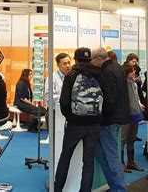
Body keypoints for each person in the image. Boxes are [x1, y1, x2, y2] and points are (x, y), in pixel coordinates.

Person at [55, 48, 103, 192]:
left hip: (75, 124)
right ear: (90, 60)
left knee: (65, 157)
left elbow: (64, 101)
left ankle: (57, 189)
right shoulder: (99, 75)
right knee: (88, 162)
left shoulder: (71, 76)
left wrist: (71, 117)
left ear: (76, 59)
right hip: (94, 124)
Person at [91, 47, 130, 192]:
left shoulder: (106, 72)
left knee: (111, 157)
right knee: (103, 155)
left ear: (98, 58)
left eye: (92, 61)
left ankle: (119, 189)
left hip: (108, 119)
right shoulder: (117, 67)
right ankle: (115, 187)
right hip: (117, 117)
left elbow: (109, 99)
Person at [121, 62, 145, 173]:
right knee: (123, 139)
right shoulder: (122, 85)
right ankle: (121, 163)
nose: (134, 72)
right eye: (132, 71)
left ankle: (131, 162)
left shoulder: (133, 84)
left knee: (132, 138)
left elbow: (136, 97)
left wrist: (139, 105)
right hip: (126, 115)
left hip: (135, 114)